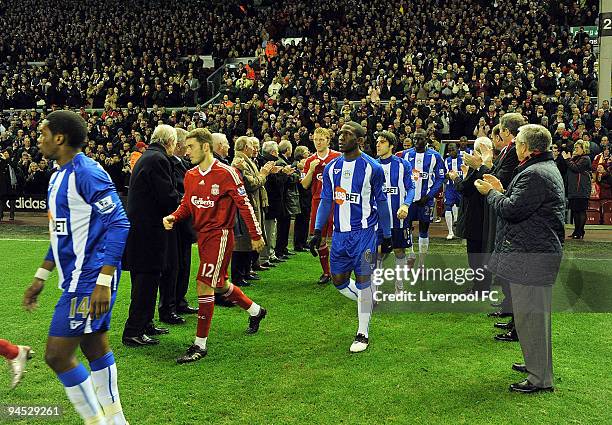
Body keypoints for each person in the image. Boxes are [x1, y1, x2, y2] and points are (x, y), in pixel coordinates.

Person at [22, 110, 130, 424]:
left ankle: (96, 422)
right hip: (77, 277)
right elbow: (60, 233)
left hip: (89, 280)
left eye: (43, 133)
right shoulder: (58, 175)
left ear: (60, 137)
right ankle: (116, 420)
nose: (38, 139)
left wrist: (102, 281)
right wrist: (41, 276)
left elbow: (119, 223)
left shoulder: (87, 172)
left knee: (57, 356)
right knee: (94, 347)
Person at [162, 128, 267, 363]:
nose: (186, 151)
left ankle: (200, 345)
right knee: (219, 285)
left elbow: (244, 204)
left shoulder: (226, 173)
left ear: (205, 147)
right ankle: (256, 311)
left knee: (204, 284)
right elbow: (187, 204)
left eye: (191, 147)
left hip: (220, 235)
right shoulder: (190, 175)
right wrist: (174, 216)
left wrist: (255, 234)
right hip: (203, 236)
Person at [475, 124, 564, 394]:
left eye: (517, 143)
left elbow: (512, 210)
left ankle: (539, 379)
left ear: (527, 147)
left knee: (532, 318)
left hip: (531, 255)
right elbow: (519, 201)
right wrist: (501, 188)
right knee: (532, 317)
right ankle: (536, 367)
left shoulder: (535, 173)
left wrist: (490, 194)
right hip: (535, 251)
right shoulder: (540, 169)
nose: (514, 146)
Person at [308, 121, 392, 353]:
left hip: (365, 233)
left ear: (360, 140)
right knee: (339, 281)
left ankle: (362, 333)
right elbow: (326, 200)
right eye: (341, 133)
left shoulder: (372, 168)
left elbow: (382, 203)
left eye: (348, 134)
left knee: (364, 280)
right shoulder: (331, 168)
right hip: (340, 235)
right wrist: (317, 231)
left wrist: (387, 234)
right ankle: (368, 300)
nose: (341, 137)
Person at [464, 113, 525, 340]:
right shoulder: (510, 153)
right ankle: (510, 313)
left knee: (514, 271)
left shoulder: (513, 155)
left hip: (508, 213)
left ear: (505, 133)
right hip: (502, 210)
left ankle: (516, 322)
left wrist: (483, 164)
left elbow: (498, 178)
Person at [123, 125, 181, 346]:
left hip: (141, 230)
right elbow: (167, 197)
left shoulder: (148, 157)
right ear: (169, 142)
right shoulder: (158, 159)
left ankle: (145, 323)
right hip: (148, 232)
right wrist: (182, 200)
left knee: (145, 280)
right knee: (146, 280)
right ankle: (133, 330)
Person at [451, 137, 493, 294]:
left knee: (476, 256)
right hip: (482, 218)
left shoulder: (481, 169)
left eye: (476, 151)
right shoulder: (483, 169)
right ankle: (481, 286)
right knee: (482, 255)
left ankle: (480, 288)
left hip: (476, 219)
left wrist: (456, 178)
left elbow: (464, 188)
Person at [396, 129, 445, 264]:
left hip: (426, 200)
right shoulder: (405, 155)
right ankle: (411, 255)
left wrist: (429, 196)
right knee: (406, 228)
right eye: (415, 138)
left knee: (424, 229)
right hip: (408, 201)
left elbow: (440, 178)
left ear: (426, 139)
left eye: (420, 139)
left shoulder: (435, 156)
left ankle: (422, 262)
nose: (417, 142)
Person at [375, 131, 415, 294]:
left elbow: (411, 188)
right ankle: (374, 290)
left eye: (382, 142)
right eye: (377, 141)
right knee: (378, 253)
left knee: (399, 251)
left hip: (398, 218)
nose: (378, 144)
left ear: (391, 146)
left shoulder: (402, 165)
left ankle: (399, 289)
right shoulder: (371, 165)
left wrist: (405, 205)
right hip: (377, 220)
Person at [301, 128, 341, 284]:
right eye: (316, 139)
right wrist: (311, 170)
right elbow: (304, 185)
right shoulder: (310, 161)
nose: (318, 142)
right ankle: (327, 273)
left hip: (338, 202)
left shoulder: (338, 157)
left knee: (340, 238)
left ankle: (341, 271)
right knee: (320, 240)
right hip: (318, 203)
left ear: (328, 140)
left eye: (321, 139)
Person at [563, 139, 591, 239]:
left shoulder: (585, 158)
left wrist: (567, 159)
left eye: (577, 147)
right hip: (574, 189)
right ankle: (576, 231)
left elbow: (576, 168)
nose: (575, 149)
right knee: (575, 211)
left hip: (581, 189)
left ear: (583, 149)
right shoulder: (575, 158)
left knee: (581, 211)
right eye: (575, 147)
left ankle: (580, 231)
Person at [443, 143, 463, 240]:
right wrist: (447, 175)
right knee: (448, 206)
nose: (451, 152)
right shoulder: (447, 161)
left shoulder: (463, 159)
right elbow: (444, 175)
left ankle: (461, 230)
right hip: (450, 188)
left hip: (461, 188)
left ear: (457, 149)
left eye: (453, 150)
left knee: (462, 208)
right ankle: (450, 232)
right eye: (449, 150)